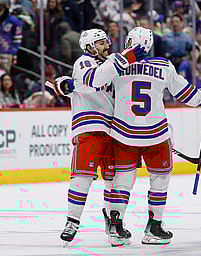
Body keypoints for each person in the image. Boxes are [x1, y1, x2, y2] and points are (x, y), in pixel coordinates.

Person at [86, 27, 201, 246]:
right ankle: (154, 226)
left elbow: (97, 86)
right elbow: (186, 94)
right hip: (156, 134)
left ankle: (116, 227)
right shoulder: (163, 66)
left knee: (123, 181)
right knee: (160, 180)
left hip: (123, 133)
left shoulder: (115, 62)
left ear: (129, 42)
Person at [51, 28, 148, 245]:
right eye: (102, 42)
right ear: (89, 46)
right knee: (82, 176)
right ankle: (72, 221)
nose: (107, 46)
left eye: (107, 42)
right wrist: (125, 57)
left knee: (113, 180)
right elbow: (95, 79)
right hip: (90, 127)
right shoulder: (84, 62)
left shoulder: (114, 65)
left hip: (114, 130)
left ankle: (113, 224)